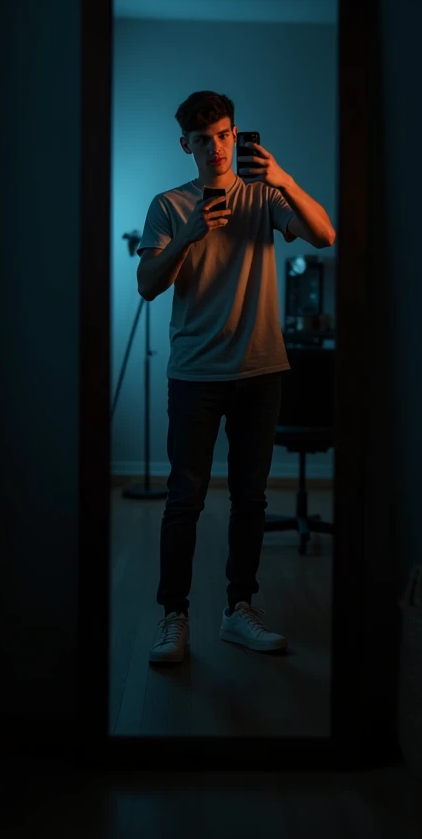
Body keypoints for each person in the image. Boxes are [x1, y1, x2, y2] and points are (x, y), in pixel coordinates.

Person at [137, 91, 336, 664]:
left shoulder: (264, 193)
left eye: (225, 135)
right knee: (185, 499)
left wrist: (285, 177)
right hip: (195, 373)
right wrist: (190, 232)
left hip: (260, 370)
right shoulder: (169, 205)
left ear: (236, 134)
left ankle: (238, 609)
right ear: (187, 146)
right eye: (204, 139)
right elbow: (148, 285)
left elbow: (325, 235)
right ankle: (173, 617)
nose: (217, 147)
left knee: (250, 499)